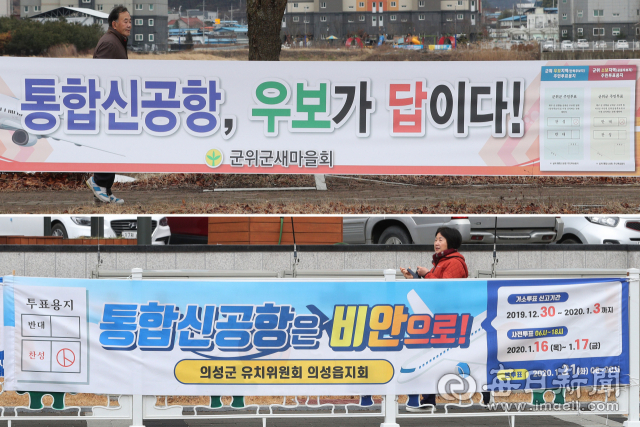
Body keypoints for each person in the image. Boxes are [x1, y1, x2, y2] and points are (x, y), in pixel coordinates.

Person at [399, 227, 489, 411]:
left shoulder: (454, 262)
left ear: (451, 242)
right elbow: (432, 291)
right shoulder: (441, 262)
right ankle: (429, 399)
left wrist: (425, 274)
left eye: (441, 239)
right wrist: (414, 278)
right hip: (444, 320)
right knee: (435, 360)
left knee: (469, 360)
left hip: (453, 321)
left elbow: (444, 288)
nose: (436, 242)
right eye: (435, 239)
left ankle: (488, 397)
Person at [86, 6, 131, 204]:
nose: (129, 25)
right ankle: (98, 181)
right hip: (107, 104)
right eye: (125, 21)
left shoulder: (116, 41)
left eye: (130, 21)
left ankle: (105, 190)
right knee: (107, 145)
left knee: (112, 145)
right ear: (114, 24)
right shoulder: (109, 43)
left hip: (114, 102)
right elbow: (99, 74)